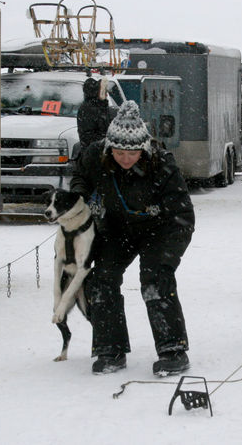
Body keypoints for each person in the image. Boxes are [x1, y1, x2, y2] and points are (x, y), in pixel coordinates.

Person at [70, 100, 195, 376]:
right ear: (109, 147)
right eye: (119, 152)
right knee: (102, 278)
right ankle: (110, 349)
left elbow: (183, 216)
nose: (126, 159)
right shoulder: (94, 156)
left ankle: (173, 349)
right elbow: (80, 177)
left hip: (158, 230)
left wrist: (168, 259)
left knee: (155, 279)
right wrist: (79, 199)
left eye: (133, 153)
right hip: (116, 229)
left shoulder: (162, 164)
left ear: (144, 149)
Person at [76, 77, 111, 150]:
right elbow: (88, 136)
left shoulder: (101, 106)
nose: (106, 95)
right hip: (93, 153)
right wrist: (105, 140)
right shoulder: (88, 109)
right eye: (104, 92)